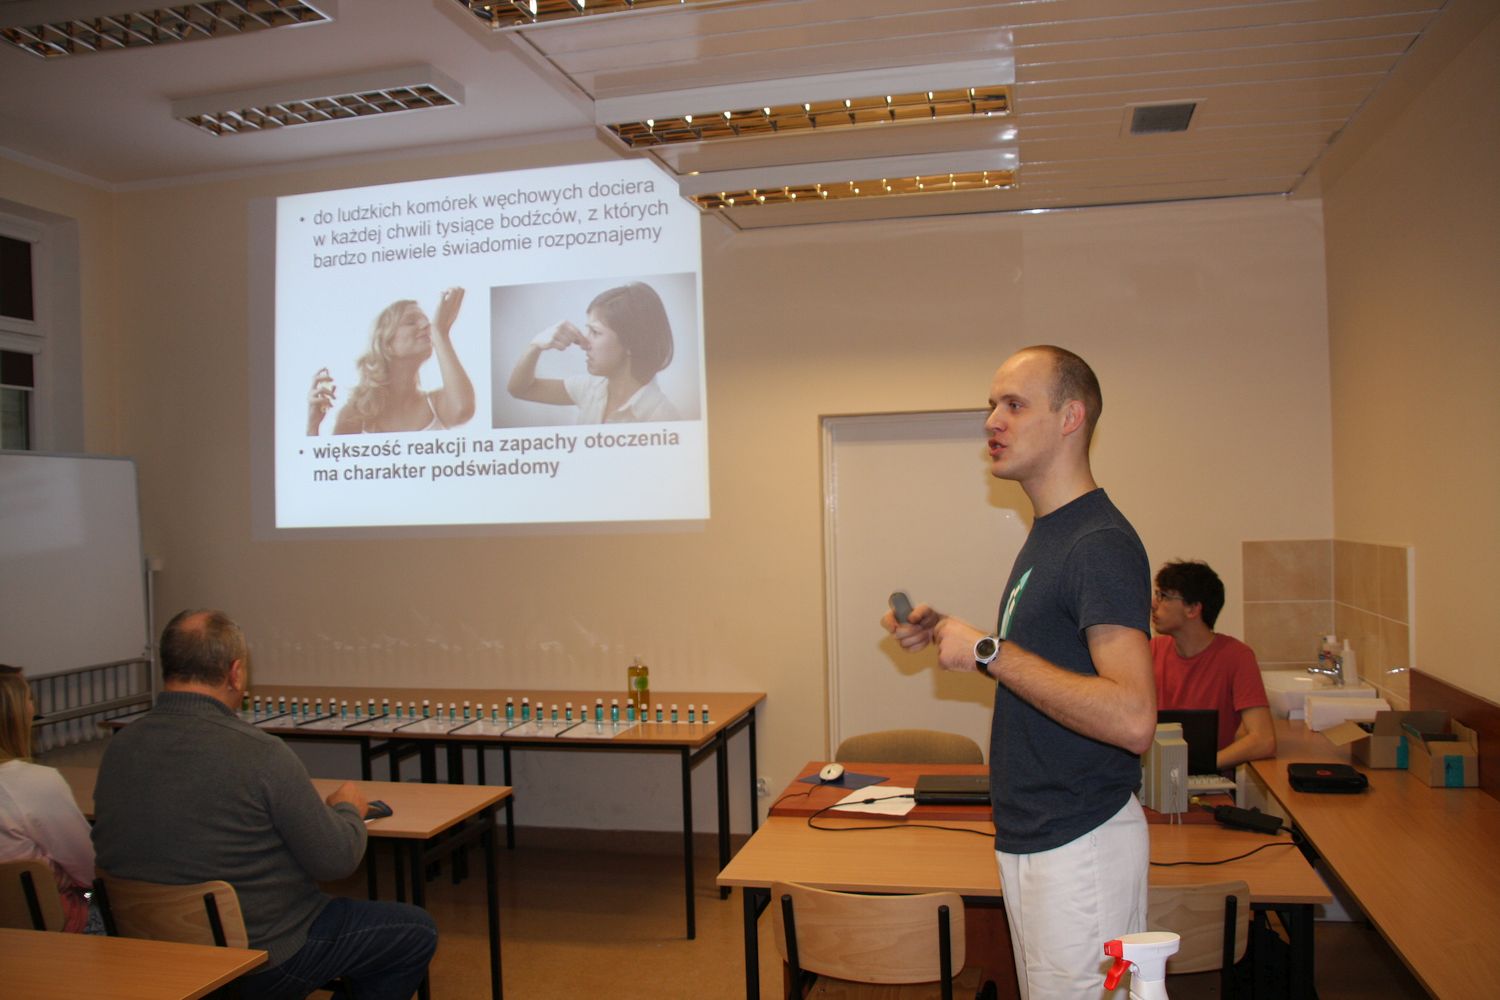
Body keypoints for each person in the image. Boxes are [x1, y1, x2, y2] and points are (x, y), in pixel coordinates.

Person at [883, 345, 1155, 1000]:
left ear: (1070, 417)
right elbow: (1053, 672)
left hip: (1080, 842)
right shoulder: (1052, 534)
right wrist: (954, 634)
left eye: (1013, 404)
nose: (991, 421)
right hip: (1039, 837)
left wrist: (989, 651)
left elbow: (1132, 717)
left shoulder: (1098, 543)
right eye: (991, 405)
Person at [92, 611, 436, 999]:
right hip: (257, 958)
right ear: (236, 673)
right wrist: (347, 810)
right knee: (414, 932)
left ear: (167, 669)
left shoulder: (120, 748)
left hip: (148, 949)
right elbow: (336, 860)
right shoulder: (260, 753)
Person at [1151, 560, 1275, 770]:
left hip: (1210, 779)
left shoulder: (1237, 657)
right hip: (1157, 775)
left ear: (1193, 609)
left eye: (1164, 596)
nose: (1154, 604)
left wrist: (1199, 767)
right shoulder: (1151, 650)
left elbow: (1263, 740)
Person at [0, 664, 97, 932]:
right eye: (30, 698)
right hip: (42, 927)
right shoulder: (36, 783)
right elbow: (91, 870)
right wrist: (53, 874)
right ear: (14, 715)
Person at [507, 280, 680, 424]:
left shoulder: (663, 417)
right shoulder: (590, 388)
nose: (583, 343)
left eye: (595, 332)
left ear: (632, 343)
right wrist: (535, 346)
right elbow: (520, 389)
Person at [308, 287, 474, 435]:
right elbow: (331, 461)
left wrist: (440, 333)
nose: (426, 325)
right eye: (411, 322)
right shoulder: (354, 415)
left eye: (426, 320)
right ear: (386, 344)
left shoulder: (436, 405)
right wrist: (313, 426)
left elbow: (463, 409)